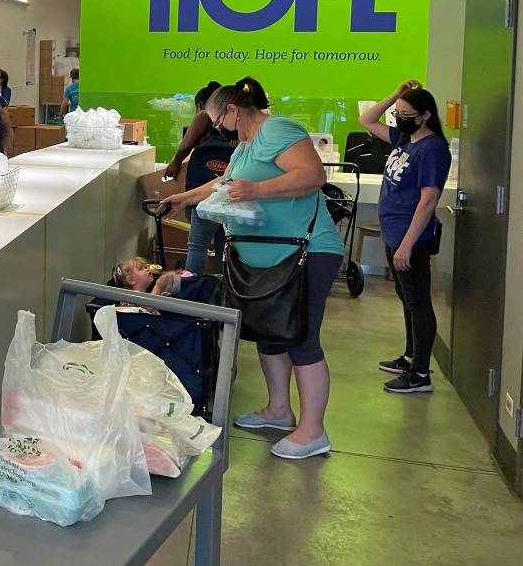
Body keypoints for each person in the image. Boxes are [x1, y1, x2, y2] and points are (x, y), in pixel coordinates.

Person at [159, 77, 345, 460]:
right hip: (263, 255)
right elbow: (226, 183)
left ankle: (313, 430)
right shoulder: (244, 145)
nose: (217, 129)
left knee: (301, 337)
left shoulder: (278, 129)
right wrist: (184, 198)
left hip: (305, 251)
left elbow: (312, 176)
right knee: (269, 333)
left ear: (232, 110)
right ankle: (278, 410)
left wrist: (258, 191)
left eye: (217, 121)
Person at [358, 80, 452, 394]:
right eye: (399, 112)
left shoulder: (432, 149)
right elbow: (367, 120)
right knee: (407, 300)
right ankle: (411, 357)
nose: (400, 117)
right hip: (394, 232)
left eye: (407, 113)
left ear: (426, 115)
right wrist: (396, 96)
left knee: (418, 302)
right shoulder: (404, 139)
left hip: (411, 237)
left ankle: (421, 375)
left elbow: (428, 200)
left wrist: (408, 245)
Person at [163, 81, 231, 274]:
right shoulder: (234, 121)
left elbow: (186, 145)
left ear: (202, 103)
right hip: (230, 191)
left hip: (205, 191)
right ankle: (220, 292)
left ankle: (192, 292)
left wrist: (175, 163)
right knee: (223, 247)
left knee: (198, 245)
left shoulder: (204, 116)